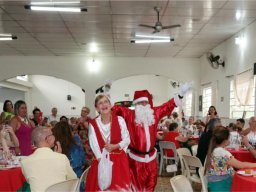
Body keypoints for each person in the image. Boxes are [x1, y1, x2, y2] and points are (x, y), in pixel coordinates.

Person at [112, 82, 192, 191]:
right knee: (136, 187)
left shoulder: (154, 113)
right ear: (136, 104)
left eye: (145, 102)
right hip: (135, 160)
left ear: (149, 103)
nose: (143, 105)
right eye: (140, 103)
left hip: (151, 159)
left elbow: (167, 106)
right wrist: (106, 99)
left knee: (151, 184)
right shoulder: (129, 114)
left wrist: (180, 94)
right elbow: (114, 109)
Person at [85, 94, 131, 191]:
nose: (104, 105)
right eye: (100, 103)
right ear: (97, 108)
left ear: (110, 105)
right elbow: (94, 145)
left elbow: (127, 139)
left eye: (106, 102)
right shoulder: (93, 123)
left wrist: (116, 146)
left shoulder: (120, 120)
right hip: (100, 160)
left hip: (118, 162)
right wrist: (103, 164)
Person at [21, 127, 77, 192]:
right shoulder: (61, 158)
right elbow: (73, 178)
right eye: (52, 135)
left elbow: (31, 181)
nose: (54, 137)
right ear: (48, 139)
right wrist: (58, 156)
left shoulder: (25, 162)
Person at [206, 126, 256, 192]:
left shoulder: (216, 150)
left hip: (216, 184)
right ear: (225, 140)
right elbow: (241, 165)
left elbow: (228, 170)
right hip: (221, 186)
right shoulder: (221, 152)